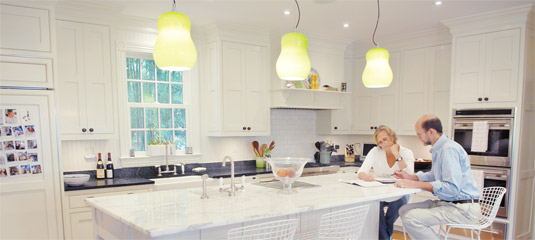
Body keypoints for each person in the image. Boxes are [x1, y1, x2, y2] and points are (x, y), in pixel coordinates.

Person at [394, 115, 481, 240]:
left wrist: (414, 184)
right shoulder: (439, 149)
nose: (418, 138)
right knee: (403, 210)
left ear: (431, 132)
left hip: (462, 209)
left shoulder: (448, 149)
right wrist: (410, 177)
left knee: (410, 218)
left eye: (419, 134)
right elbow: (433, 175)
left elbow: (451, 188)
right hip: (449, 204)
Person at [356, 125, 414, 240]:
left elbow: (409, 175)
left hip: (400, 192)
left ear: (392, 136)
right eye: (380, 142)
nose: (383, 144)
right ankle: (387, 237)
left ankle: (384, 236)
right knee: (374, 209)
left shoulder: (406, 153)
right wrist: (366, 176)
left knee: (395, 208)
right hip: (380, 192)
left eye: (385, 139)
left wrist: (397, 154)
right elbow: (361, 172)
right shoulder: (375, 152)